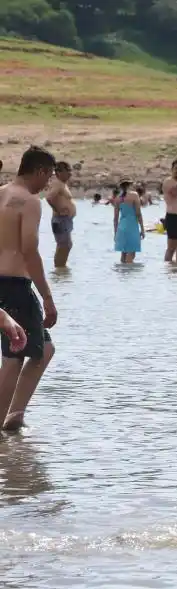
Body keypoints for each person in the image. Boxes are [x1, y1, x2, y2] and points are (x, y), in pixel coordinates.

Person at [0, 146, 58, 431]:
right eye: (48, 178)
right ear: (40, 171)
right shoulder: (30, 201)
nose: (46, 185)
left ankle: (15, 414)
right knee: (17, 354)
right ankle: (5, 419)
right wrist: (47, 296)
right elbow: (29, 250)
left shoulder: (1, 192)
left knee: (41, 348)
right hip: (16, 285)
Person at [46, 161, 75, 269]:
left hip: (64, 219)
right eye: (67, 171)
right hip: (60, 219)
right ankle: (59, 268)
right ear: (59, 172)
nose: (70, 173)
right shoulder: (57, 183)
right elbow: (49, 197)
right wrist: (57, 209)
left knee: (66, 245)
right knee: (64, 245)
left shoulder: (61, 184)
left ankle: (61, 269)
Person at [113, 179, 145, 264]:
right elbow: (138, 214)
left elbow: (115, 219)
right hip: (132, 227)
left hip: (121, 227)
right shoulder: (134, 195)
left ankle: (123, 276)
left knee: (123, 256)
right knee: (131, 255)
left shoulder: (117, 198)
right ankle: (129, 276)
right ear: (130, 185)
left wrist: (115, 233)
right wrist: (142, 229)